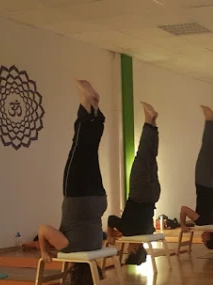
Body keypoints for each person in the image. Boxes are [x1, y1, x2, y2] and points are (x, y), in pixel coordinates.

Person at [38, 80, 107, 264]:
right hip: (78, 200)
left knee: (91, 152)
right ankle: (85, 104)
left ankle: (95, 112)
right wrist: (44, 251)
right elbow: (43, 229)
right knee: (79, 148)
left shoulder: (96, 245)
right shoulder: (68, 246)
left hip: (99, 201)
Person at [107, 102, 160, 265]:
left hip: (154, 195)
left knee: (151, 157)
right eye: (129, 251)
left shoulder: (148, 232)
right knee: (142, 156)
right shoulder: (128, 231)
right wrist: (110, 235)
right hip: (139, 193)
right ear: (135, 250)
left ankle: (153, 124)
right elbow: (111, 219)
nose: (127, 249)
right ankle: (148, 119)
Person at [179, 106, 213, 250]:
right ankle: (210, 120)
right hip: (204, 185)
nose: (201, 239)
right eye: (204, 241)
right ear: (208, 238)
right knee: (206, 149)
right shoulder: (202, 223)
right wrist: (183, 225)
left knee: (209, 151)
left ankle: (211, 121)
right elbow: (184, 209)